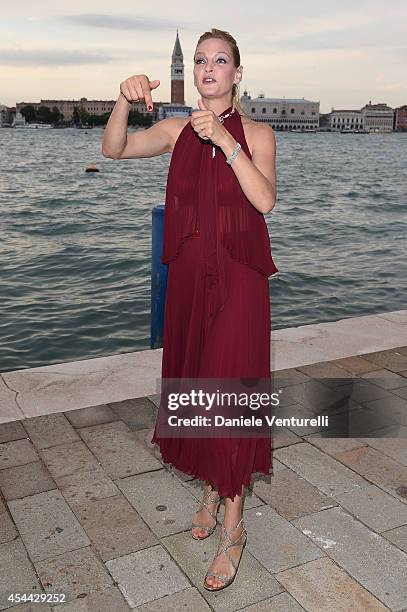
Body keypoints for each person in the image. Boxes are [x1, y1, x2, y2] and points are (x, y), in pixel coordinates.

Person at [102, 27, 278, 591]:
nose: (207, 69)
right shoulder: (176, 130)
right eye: (200, 61)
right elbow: (115, 148)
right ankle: (210, 486)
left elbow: (265, 199)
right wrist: (123, 100)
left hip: (240, 283)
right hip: (188, 283)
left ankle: (234, 529)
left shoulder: (257, 133)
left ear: (237, 73)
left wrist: (226, 144)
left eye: (219, 61)